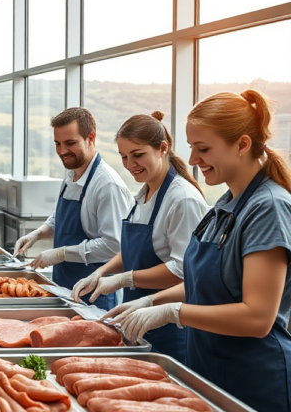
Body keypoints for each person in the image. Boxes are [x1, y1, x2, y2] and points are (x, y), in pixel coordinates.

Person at [105, 91, 291, 412]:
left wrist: (172, 312)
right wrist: (152, 300)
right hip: (210, 371)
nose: (192, 159)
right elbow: (205, 283)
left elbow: (258, 317)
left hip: (254, 381)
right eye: (192, 147)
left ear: (242, 145)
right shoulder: (224, 205)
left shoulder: (268, 208)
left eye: (203, 149)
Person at [71, 112, 208, 361]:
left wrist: (124, 279)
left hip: (169, 328)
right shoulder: (143, 195)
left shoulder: (182, 199)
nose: (129, 164)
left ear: (162, 148)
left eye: (138, 155)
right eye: (124, 157)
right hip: (135, 319)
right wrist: (102, 272)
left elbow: (182, 270)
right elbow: (133, 251)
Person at [14, 107, 132, 311]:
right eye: (57, 144)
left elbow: (113, 245)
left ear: (91, 137)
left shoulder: (107, 185)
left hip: (95, 295)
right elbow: (60, 216)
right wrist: (39, 233)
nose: (62, 151)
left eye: (70, 143)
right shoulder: (72, 174)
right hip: (65, 286)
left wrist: (61, 253)